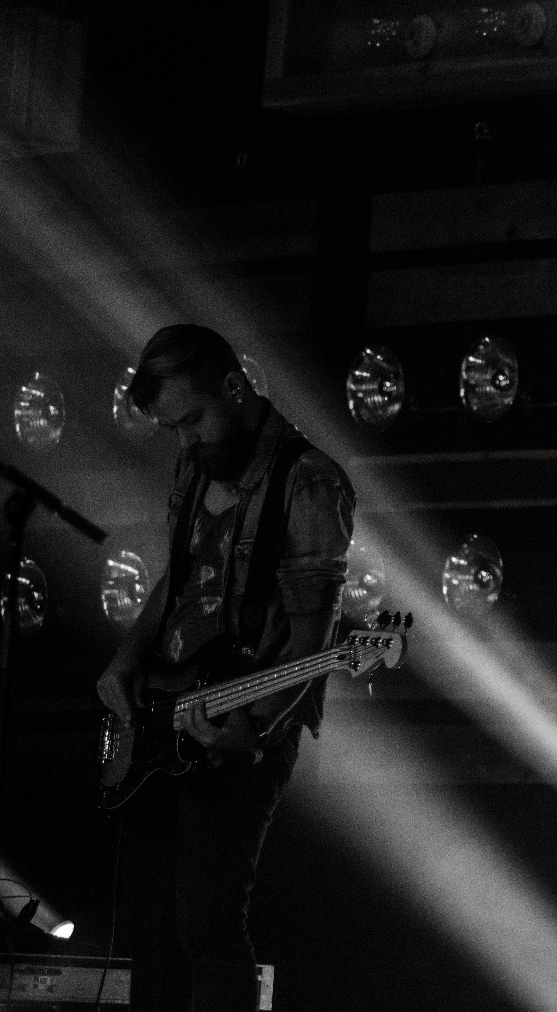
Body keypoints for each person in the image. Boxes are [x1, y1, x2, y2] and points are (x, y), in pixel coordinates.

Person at [96, 325, 354, 1012]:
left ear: (235, 389)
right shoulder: (195, 466)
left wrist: (257, 730)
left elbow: (313, 640)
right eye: (171, 429)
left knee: (207, 921)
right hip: (164, 711)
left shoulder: (308, 480)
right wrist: (126, 656)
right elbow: (179, 581)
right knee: (152, 928)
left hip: (245, 724)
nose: (184, 441)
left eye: (191, 420)